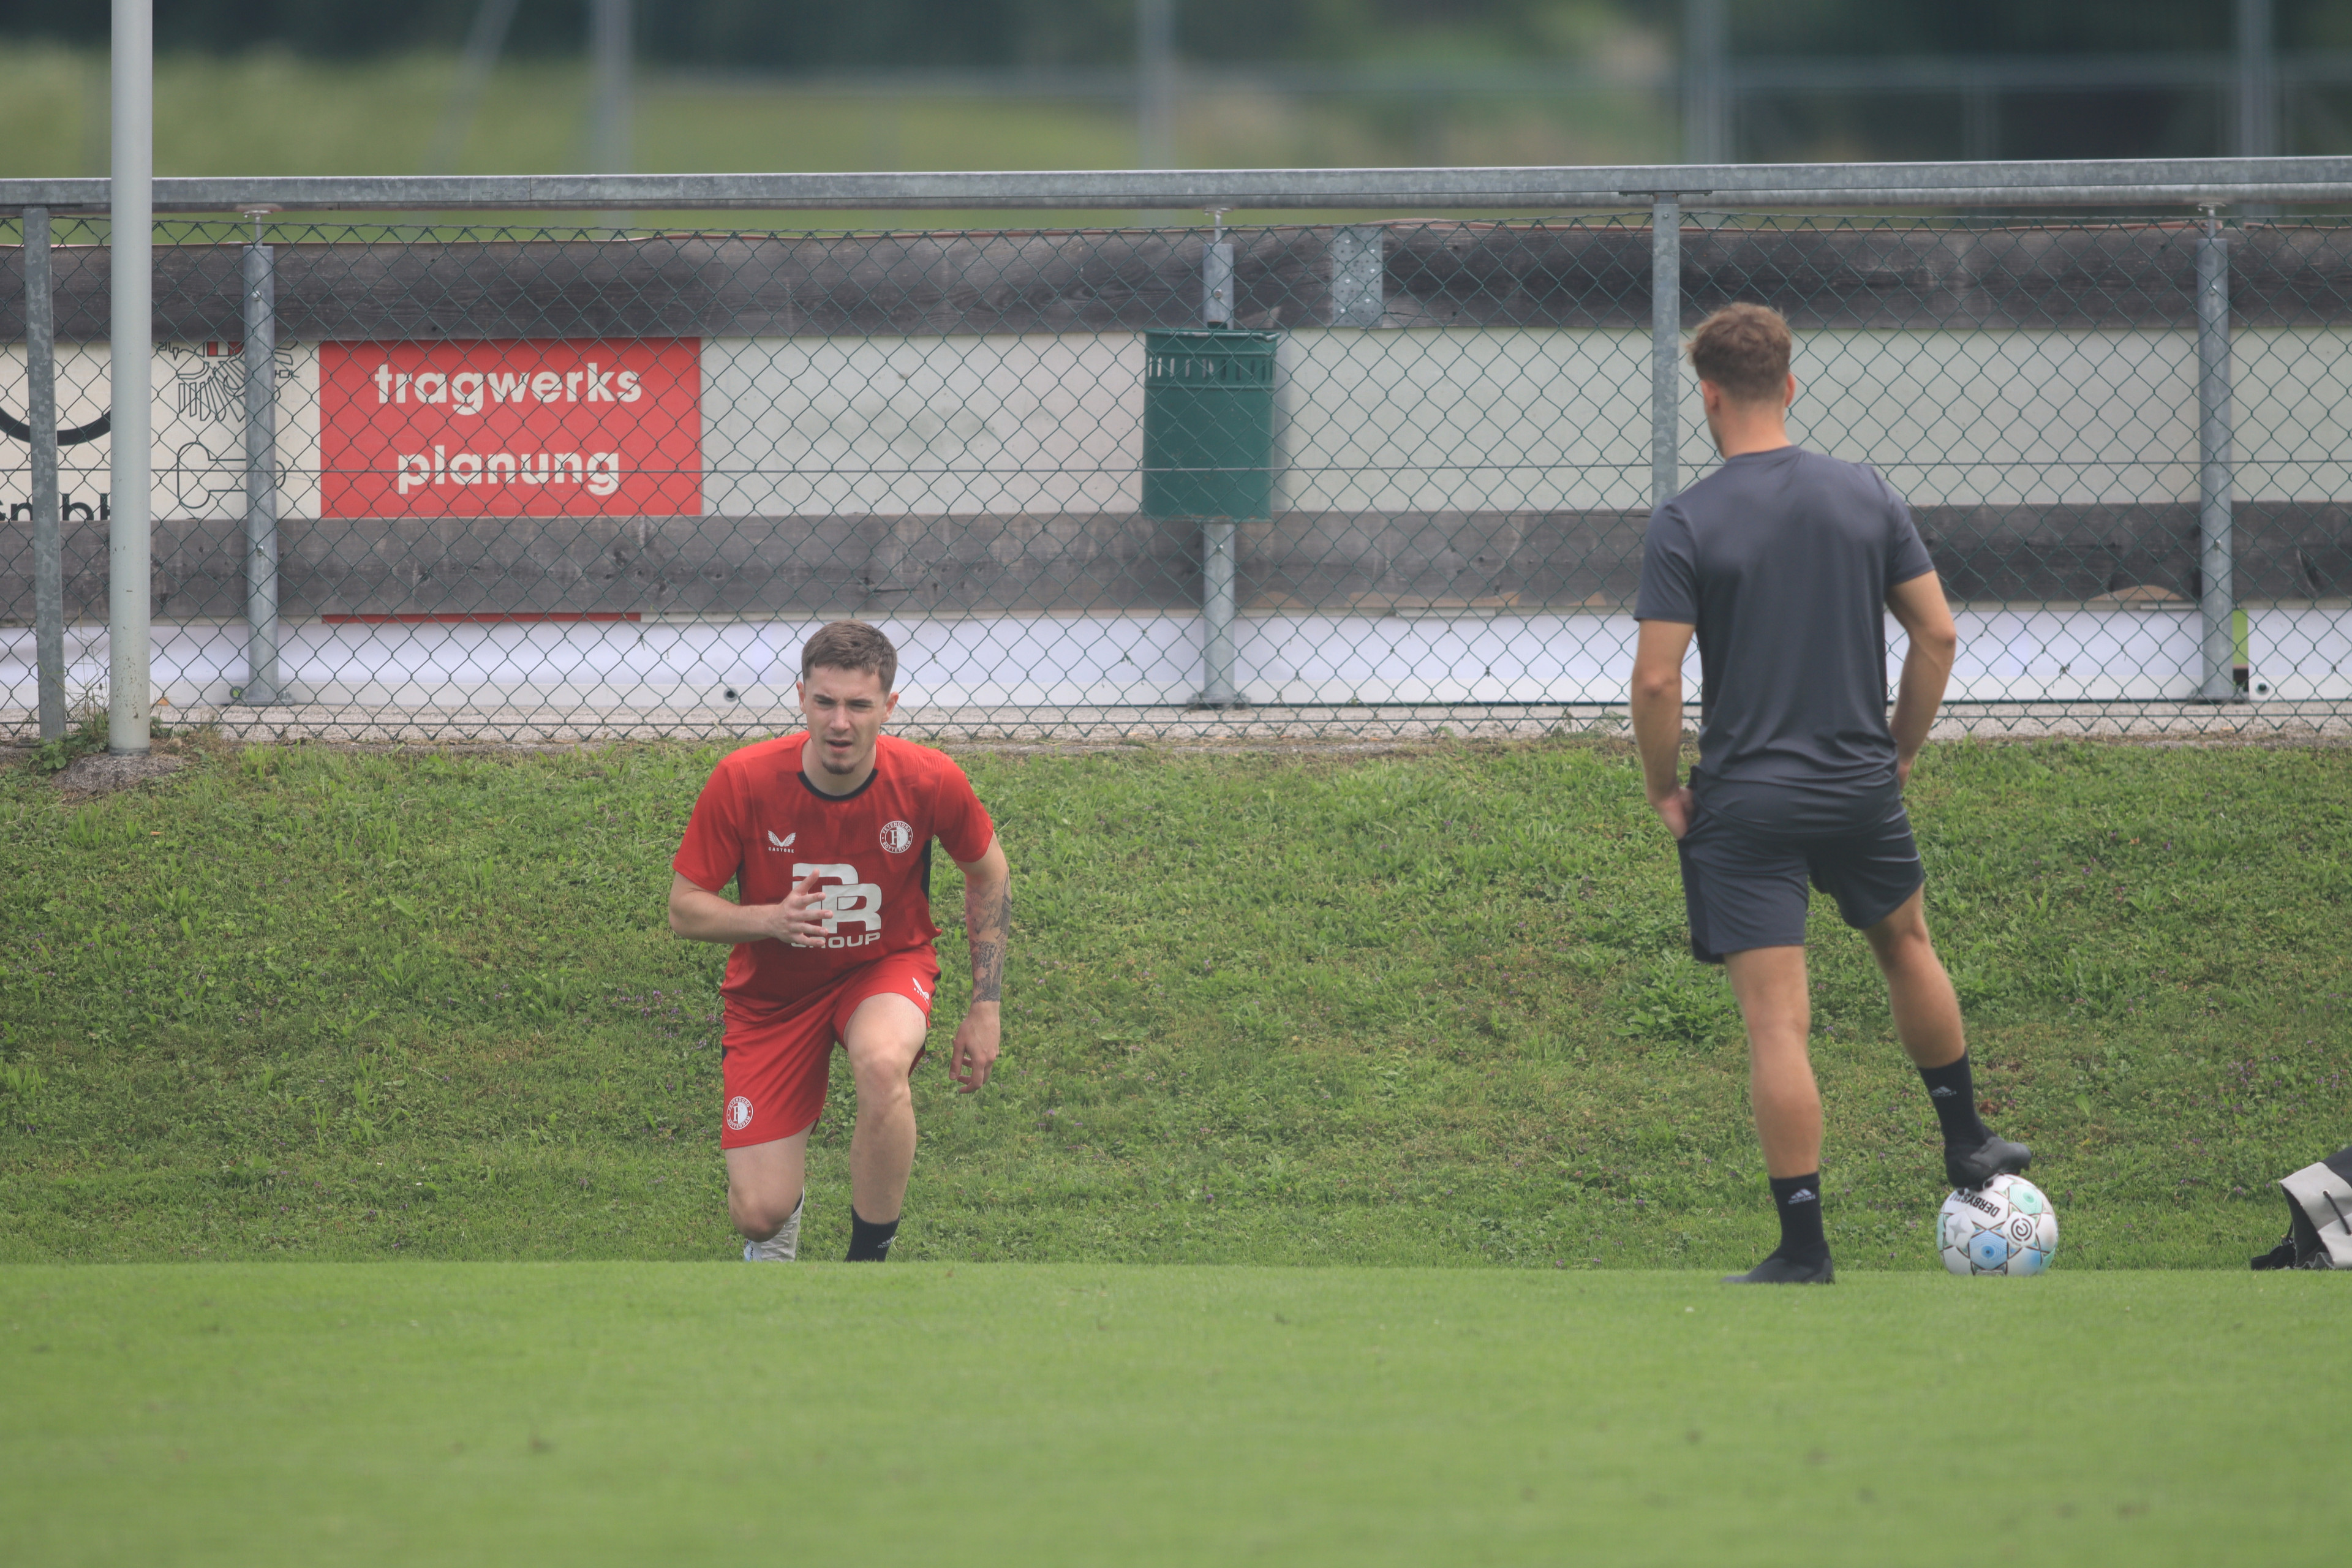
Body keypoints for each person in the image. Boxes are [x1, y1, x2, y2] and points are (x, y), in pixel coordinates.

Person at [1629, 302, 2030, 1286]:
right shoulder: (1865, 494)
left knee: (1778, 1024)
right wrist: (1898, 748)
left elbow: (1654, 680)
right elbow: (1936, 635)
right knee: (1907, 946)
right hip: (1858, 786)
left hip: (1747, 802)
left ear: (1709, 396)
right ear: (1792, 386)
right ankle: (1967, 1138)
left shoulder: (1686, 520)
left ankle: (1804, 1248)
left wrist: (1664, 787)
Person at [668, 620, 1009, 1262]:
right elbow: (685, 910)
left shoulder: (930, 780)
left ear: (889, 706)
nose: (840, 722)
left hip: (882, 968)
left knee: (883, 1064)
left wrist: (985, 1006)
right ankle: (782, 1227)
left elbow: (988, 873)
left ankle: (867, 1265)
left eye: (859, 704)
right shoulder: (742, 780)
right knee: (758, 1216)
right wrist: (768, 919)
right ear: (801, 699)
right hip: (773, 996)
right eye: (825, 701)